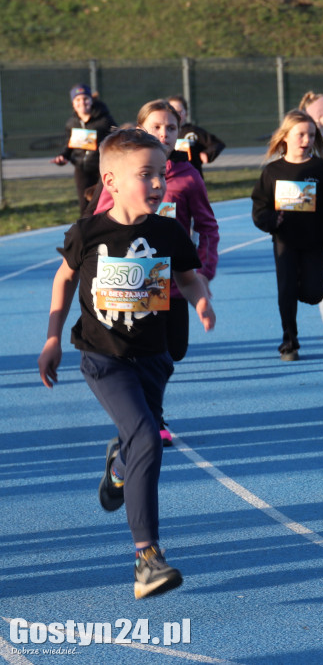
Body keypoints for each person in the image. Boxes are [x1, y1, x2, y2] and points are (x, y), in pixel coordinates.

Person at [38, 127, 216, 599]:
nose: (158, 184)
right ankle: (147, 559)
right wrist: (53, 338)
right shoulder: (89, 232)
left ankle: (118, 468)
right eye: (146, 175)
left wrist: (201, 301)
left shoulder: (168, 230)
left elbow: (188, 276)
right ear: (111, 181)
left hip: (153, 359)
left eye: (161, 174)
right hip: (103, 358)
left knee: (136, 439)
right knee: (148, 440)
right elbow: (62, 280)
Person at [90, 99, 221, 447]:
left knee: (171, 353)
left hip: (174, 284)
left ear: (181, 133)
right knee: (139, 354)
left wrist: (204, 273)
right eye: (156, 127)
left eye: (172, 127)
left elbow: (208, 227)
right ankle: (149, 420)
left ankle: (144, 416)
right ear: (140, 131)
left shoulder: (189, 177)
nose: (164, 133)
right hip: (131, 283)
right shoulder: (124, 177)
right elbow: (98, 222)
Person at [251, 110, 323, 361]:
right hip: (284, 242)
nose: (306, 140)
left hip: (314, 242)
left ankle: (304, 288)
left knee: (314, 294)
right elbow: (260, 207)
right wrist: (273, 220)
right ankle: (289, 342)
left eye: (311, 135)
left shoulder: (320, 169)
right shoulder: (273, 171)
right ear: (285, 137)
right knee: (286, 292)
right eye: (300, 134)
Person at [50, 83, 118, 217]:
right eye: (77, 100)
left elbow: (117, 138)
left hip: (101, 168)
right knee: (84, 205)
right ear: (73, 104)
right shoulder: (72, 123)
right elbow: (70, 145)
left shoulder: (104, 119)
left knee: (102, 201)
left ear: (91, 100)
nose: (82, 103)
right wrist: (63, 157)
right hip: (82, 168)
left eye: (85, 99)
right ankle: (85, 233)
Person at [166, 96, 225, 178]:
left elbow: (217, 144)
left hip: (192, 176)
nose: (176, 115)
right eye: (172, 111)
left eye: (179, 112)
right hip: (171, 177)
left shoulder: (193, 131)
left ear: (186, 113)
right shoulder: (164, 132)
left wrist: (207, 154)